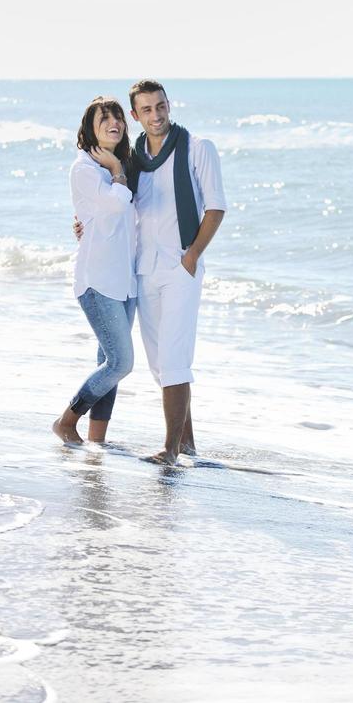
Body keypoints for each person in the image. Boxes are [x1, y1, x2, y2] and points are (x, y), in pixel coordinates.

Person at [75, 79, 227, 464]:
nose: (155, 115)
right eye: (146, 109)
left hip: (180, 267)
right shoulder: (135, 157)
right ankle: (188, 442)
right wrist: (83, 226)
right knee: (161, 362)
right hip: (143, 269)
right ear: (135, 115)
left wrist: (192, 256)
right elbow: (117, 207)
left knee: (175, 357)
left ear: (169, 105)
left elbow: (216, 207)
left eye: (160, 106)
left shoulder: (197, 149)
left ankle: (171, 450)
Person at [53, 96, 136, 446]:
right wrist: (117, 172)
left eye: (118, 116)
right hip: (97, 280)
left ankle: (97, 441)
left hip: (126, 281)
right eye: (104, 118)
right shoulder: (85, 169)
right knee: (120, 363)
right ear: (90, 128)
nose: (113, 122)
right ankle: (66, 419)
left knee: (107, 362)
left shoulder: (121, 165)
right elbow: (117, 205)